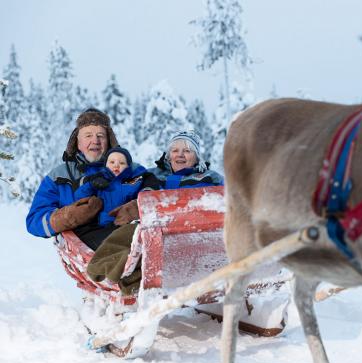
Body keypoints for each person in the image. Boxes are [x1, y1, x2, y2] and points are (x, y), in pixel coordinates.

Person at [86, 131, 223, 293]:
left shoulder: (211, 178)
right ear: (168, 155)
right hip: (156, 229)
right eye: (175, 150)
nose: (180, 155)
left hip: (194, 232)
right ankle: (109, 269)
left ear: (196, 156)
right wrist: (107, 180)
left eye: (187, 151)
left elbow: (226, 202)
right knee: (129, 236)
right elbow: (130, 178)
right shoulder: (154, 174)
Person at [26, 108, 120, 249]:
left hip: (126, 242)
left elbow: (151, 193)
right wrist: (67, 217)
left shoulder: (125, 170)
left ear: (109, 141)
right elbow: (34, 221)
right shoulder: (58, 176)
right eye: (88, 135)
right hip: (82, 252)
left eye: (101, 135)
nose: (95, 141)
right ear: (77, 142)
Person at [74, 147, 145, 228]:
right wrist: (91, 185)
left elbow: (146, 191)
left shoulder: (133, 181)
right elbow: (79, 197)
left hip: (127, 223)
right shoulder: (100, 180)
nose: (116, 165)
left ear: (128, 167)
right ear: (105, 165)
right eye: (112, 162)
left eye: (122, 163)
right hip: (103, 225)